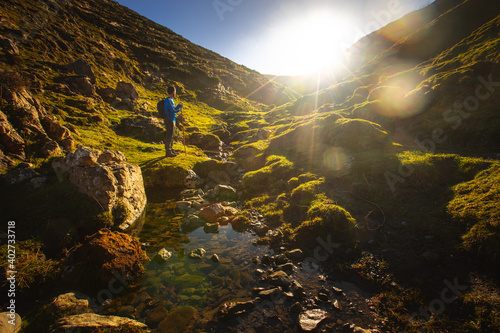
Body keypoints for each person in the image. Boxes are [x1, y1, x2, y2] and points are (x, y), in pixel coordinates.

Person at [163, 86, 183, 157]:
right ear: (173, 92)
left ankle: (170, 150)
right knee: (169, 135)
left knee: (171, 135)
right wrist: (179, 107)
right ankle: (168, 152)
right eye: (175, 92)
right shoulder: (169, 100)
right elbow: (173, 110)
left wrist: (178, 108)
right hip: (170, 119)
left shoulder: (170, 100)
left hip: (172, 119)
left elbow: (173, 110)